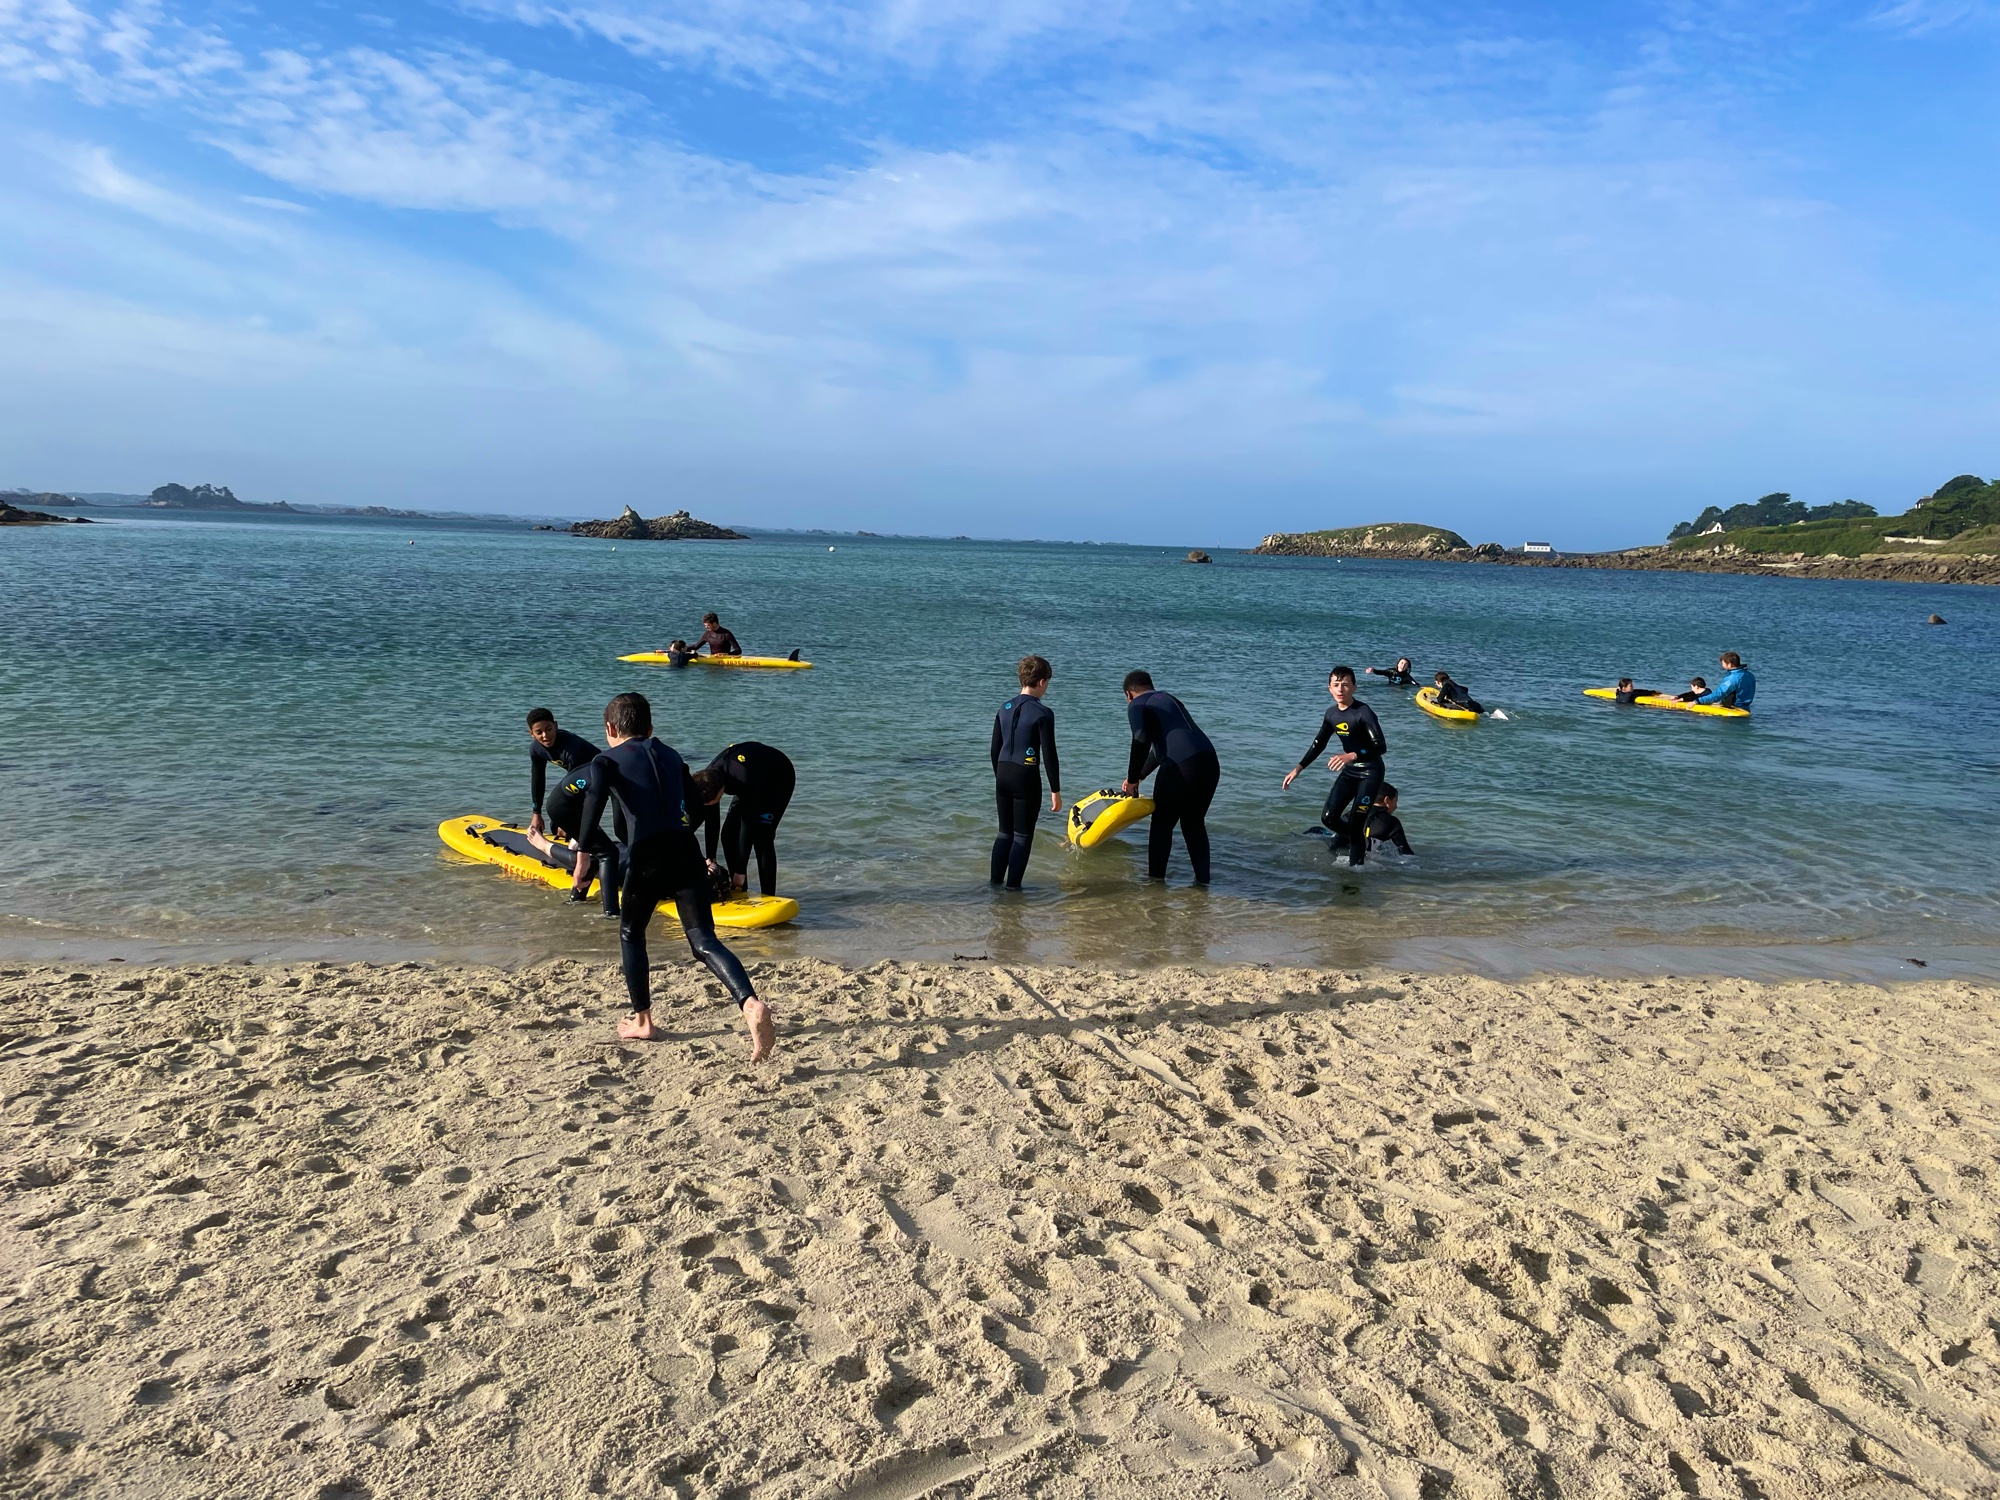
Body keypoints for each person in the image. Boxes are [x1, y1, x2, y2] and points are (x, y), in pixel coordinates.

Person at [571, 692, 776, 1058]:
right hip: (685, 850)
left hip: (647, 855)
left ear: (610, 729)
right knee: (704, 940)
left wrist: (583, 856)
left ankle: (643, 1021)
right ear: (650, 728)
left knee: (632, 933)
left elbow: (594, 803)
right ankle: (749, 1003)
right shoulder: (671, 756)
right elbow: (696, 808)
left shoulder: (605, 760)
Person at [1121, 671, 1220, 884]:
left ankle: (1156, 884)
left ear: (1129, 694)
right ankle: (1203, 883)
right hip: (1209, 761)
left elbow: (1140, 738)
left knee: (1161, 825)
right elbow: (1165, 746)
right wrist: (1139, 776)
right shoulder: (1168, 699)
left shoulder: (1137, 704)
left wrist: (1132, 779)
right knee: (1193, 823)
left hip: (1180, 767)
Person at [1282, 666, 1387, 867]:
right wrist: (1298, 768)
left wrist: (1352, 755)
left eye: (1345, 685)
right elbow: (1318, 743)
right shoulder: (1331, 714)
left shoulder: (1363, 712)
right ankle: (1362, 842)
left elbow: (1380, 746)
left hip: (1370, 772)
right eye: (1336, 685)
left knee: (1356, 822)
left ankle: (1357, 869)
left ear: (1354, 687)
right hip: (1351, 770)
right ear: (1329, 688)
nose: (1340, 689)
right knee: (1329, 818)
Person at [990, 655, 1063, 889]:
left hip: (1003, 773)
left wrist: (1000, 777)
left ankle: (994, 885)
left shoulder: (1004, 707)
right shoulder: (1043, 713)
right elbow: (1049, 755)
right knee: (1022, 836)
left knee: (1004, 833)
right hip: (1025, 776)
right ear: (1041, 682)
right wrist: (1055, 790)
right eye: (1047, 682)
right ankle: (1013, 890)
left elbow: (994, 749)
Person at [690, 741, 797, 896]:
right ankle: (740, 889)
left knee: (762, 837)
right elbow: (711, 821)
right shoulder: (707, 779)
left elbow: (748, 824)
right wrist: (710, 858)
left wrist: (740, 870)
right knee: (728, 835)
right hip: (752, 778)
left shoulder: (741, 778)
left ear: (719, 792)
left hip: (777, 778)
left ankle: (768, 895)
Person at [525, 766, 623, 918]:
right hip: (629, 857)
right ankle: (610, 914)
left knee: (600, 854)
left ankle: (581, 902)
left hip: (627, 856)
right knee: (603, 854)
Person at [527, 709, 601, 838]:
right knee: (555, 825)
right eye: (539, 732)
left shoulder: (572, 749)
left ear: (555, 725)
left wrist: (569, 823)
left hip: (606, 776)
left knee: (620, 827)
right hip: (584, 776)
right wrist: (536, 813)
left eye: (549, 729)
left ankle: (593, 841)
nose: (545, 736)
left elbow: (579, 791)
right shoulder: (536, 749)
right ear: (531, 733)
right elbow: (538, 780)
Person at [1331, 782, 1414, 859]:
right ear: (1386, 800)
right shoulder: (1392, 822)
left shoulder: (1350, 814)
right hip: (1369, 859)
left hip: (1340, 854)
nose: (1396, 806)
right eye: (1395, 801)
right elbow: (1406, 853)